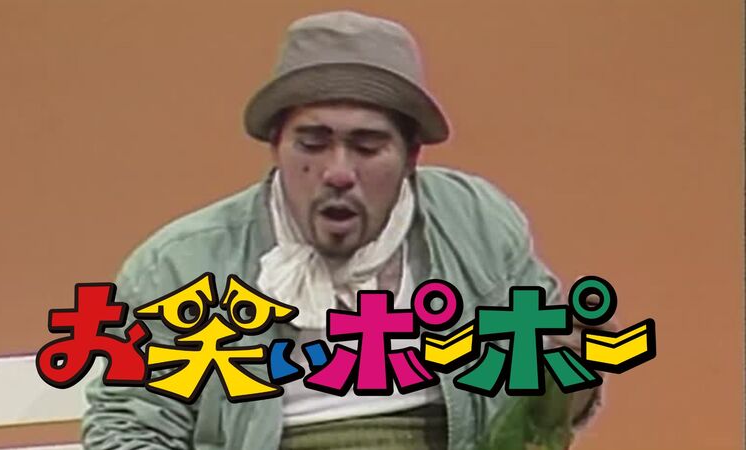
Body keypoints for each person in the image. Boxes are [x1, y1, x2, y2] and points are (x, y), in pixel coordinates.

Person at [83, 10, 604, 450]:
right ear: (276, 146)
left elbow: (541, 408)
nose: (338, 172)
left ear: (411, 157)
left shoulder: (476, 220)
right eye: (312, 143)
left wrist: (567, 369)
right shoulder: (180, 265)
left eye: (367, 147)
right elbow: (126, 427)